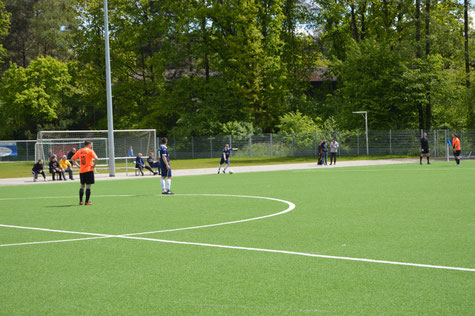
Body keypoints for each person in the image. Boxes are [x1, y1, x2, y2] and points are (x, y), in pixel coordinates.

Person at [72, 140, 98, 205]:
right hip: (89, 170)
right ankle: (87, 202)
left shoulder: (79, 151)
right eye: (91, 145)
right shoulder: (90, 150)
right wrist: (94, 165)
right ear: (89, 144)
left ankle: (81, 201)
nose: (91, 146)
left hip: (82, 170)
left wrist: (78, 165)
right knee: (88, 186)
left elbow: (72, 159)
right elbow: (96, 158)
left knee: (82, 185)